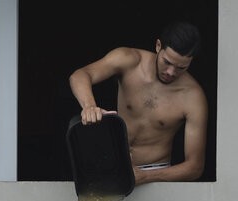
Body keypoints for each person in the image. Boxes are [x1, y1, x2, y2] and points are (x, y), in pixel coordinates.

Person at [69, 22, 208, 185]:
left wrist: (146, 177)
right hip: (112, 164)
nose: (171, 72)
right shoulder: (129, 60)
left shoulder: (193, 97)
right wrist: (89, 106)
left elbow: (194, 167)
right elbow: (80, 75)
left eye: (181, 67)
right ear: (158, 46)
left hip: (155, 172)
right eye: (167, 62)